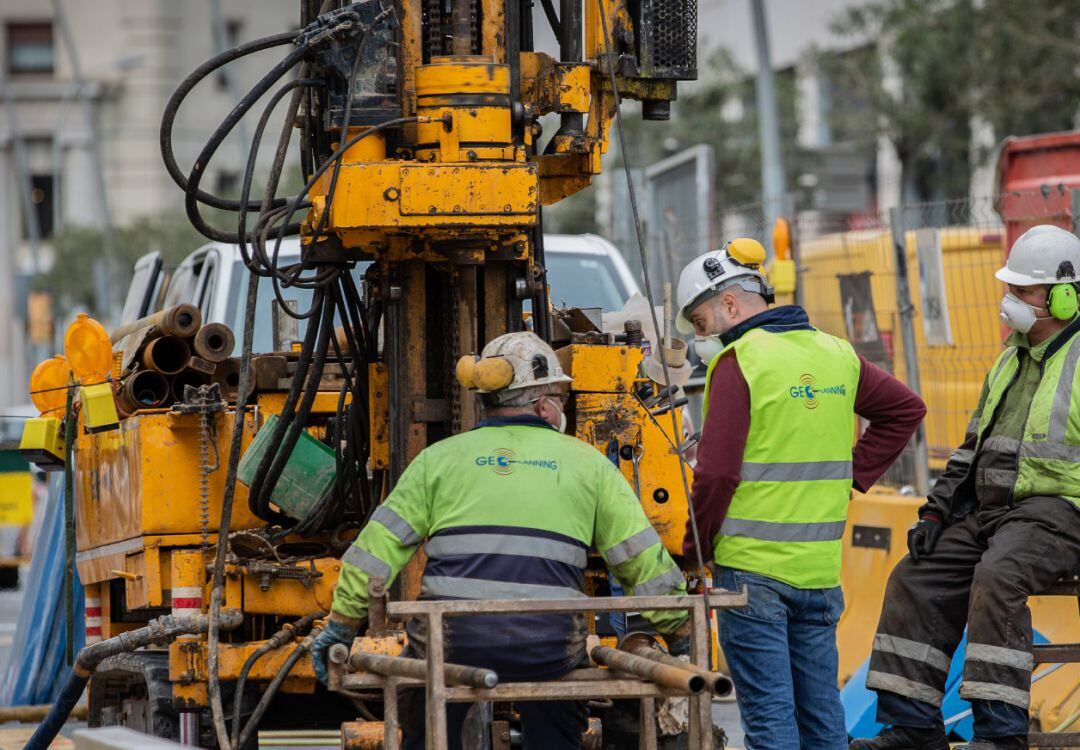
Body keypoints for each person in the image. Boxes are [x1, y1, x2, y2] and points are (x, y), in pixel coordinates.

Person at [310, 331, 692, 750]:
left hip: (451, 641)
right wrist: (677, 632)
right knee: (562, 706)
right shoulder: (589, 465)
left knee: (419, 692)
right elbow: (641, 562)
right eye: (558, 398)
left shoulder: (437, 460)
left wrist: (341, 627)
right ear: (543, 403)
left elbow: (373, 555)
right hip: (547, 647)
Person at [675, 238, 926, 750]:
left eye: (701, 324)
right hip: (818, 576)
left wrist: (692, 550)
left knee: (771, 726)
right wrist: (852, 474)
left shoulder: (739, 361)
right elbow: (906, 410)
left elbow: (717, 474)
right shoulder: (836, 352)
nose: (702, 339)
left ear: (729, 304)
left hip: (751, 578)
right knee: (822, 724)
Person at [852, 224, 1080, 750]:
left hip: (1061, 513)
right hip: (993, 514)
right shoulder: (1010, 358)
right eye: (1011, 288)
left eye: (1023, 291)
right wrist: (935, 513)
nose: (1010, 300)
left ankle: (1000, 734)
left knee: (997, 577)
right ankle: (911, 727)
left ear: (1064, 295)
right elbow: (971, 448)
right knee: (916, 576)